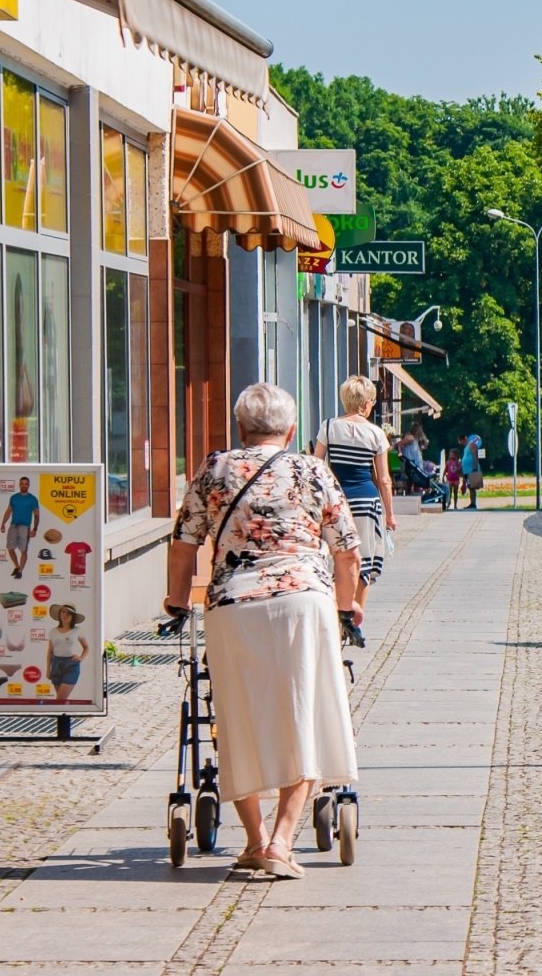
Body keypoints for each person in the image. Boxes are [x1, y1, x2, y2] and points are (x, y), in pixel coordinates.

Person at [164, 382, 363, 880]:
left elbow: (183, 544)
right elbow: (348, 551)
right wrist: (346, 608)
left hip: (233, 606)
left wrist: (174, 599)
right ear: (292, 430)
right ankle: (280, 842)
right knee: (307, 716)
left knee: (238, 717)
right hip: (304, 603)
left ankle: (253, 839)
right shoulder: (312, 471)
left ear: (240, 429)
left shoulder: (215, 469)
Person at [315, 377, 397, 612]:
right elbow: (383, 479)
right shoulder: (376, 433)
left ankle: (333, 612)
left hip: (336, 501)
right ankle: (353, 618)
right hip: (367, 503)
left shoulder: (328, 427)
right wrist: (390, 515)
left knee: (334, 556)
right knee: (365, 561)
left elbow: (316, 466)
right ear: (366, 403)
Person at [46, 603, 89, 701]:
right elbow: (50, 652)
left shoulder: (77, 630)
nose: (65, 615)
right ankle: (66, 716)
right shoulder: (53, 631)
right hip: (56, 665)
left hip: (71, 665)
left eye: (69, 613)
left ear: (73, 617)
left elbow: (86, 647)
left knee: (60, 699)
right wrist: (48, 670)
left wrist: (81, 658)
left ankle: (65, 716)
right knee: (61, 701)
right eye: (63, 612)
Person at [0, 477, 40, 579]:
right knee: (10, 548)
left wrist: (35, 529)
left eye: (26, 484)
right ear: (19, 484)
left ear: (28, 485)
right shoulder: (14, 498)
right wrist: (3, 523)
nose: (24, 485)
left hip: (25, 527)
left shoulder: (32, 499)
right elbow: (8, 511)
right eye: (22, 484)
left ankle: (20, 571)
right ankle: (17, 566)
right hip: (13, 525)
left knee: (23, 551)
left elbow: (36, 514)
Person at [458, 433, 484, 509]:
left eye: (460, 441)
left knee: (472, 487)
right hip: (467, 470)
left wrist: (475, 466)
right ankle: (472, 503)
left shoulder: (471, 444)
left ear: (464, 439)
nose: (460, 443)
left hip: (471, 469)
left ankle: (473, 504)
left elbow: (475, 455)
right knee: (470, 487)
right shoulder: (466, 447)